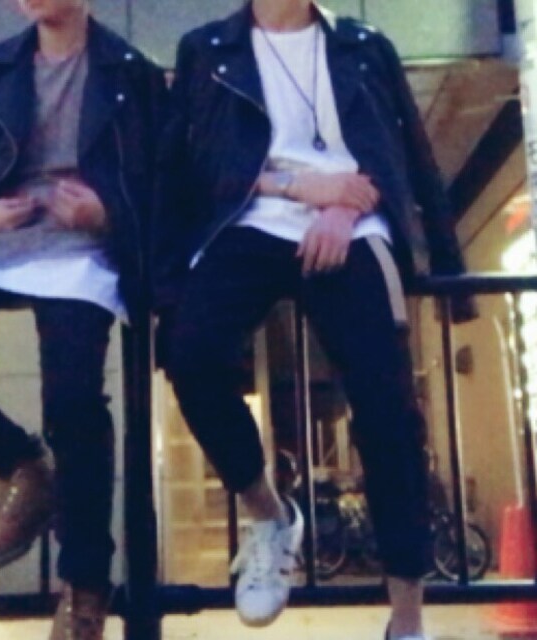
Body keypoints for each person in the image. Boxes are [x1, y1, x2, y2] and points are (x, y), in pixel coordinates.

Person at [154, 0, 474, 636]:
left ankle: (408, 620)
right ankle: (270, 516)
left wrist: (351, 210)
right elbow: (194, 167)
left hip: (355, 225)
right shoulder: (207, 50)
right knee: (190, 357)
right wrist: (298, 187)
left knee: (387, 409)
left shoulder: (364, 45)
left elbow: (402, 155)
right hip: (251, 219)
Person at [0, 0, 164, 637]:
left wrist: (106, 213)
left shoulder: (132, 72)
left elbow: (164, 182)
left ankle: (85, 590)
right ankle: (20, 465)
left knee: (73, 402)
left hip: (82, 252)